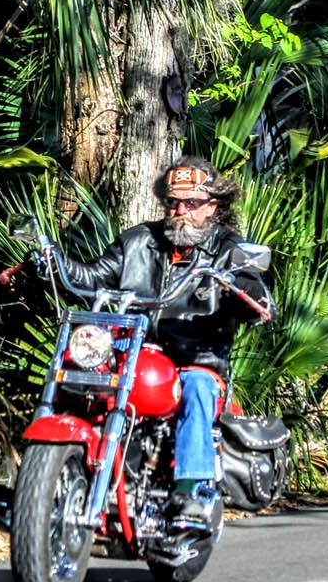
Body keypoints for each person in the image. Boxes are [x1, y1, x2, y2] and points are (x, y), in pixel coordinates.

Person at [54, 157, 274, 529]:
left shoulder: (227, 248)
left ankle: (191, 491)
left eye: (191, 203)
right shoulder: (139, 241)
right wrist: (51, 262)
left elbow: (254, 291)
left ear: (213, 206)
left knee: (198, 387)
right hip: (132, 352)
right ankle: (47, 477)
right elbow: (93, 276)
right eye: (173, 202)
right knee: (80, 374)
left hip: (196, 357)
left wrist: (246, 295)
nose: (180, 211)